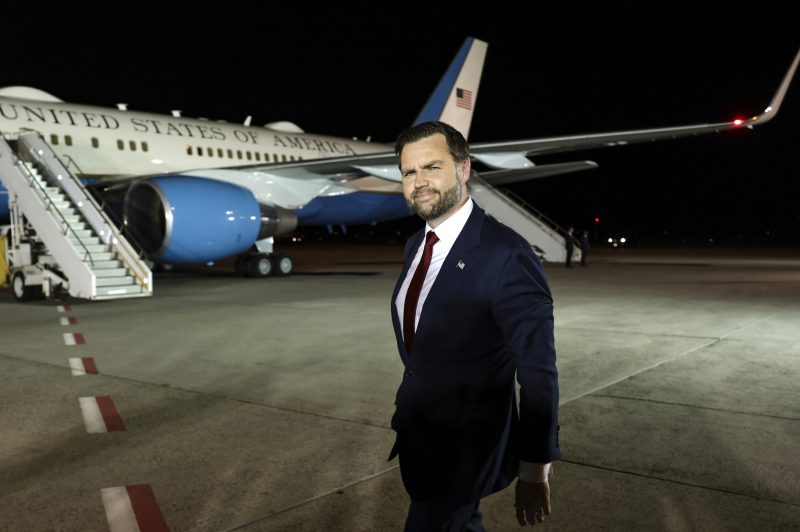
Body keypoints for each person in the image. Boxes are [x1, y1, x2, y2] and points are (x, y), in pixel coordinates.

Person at [389, 121, 560, 531]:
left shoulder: (507, 254)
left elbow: (537, 371)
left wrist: (535, 468)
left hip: (466, 449)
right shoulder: (416, 245)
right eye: (409, 172)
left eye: (432, 167)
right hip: (420, 435)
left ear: (463, 169)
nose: (419, 182)